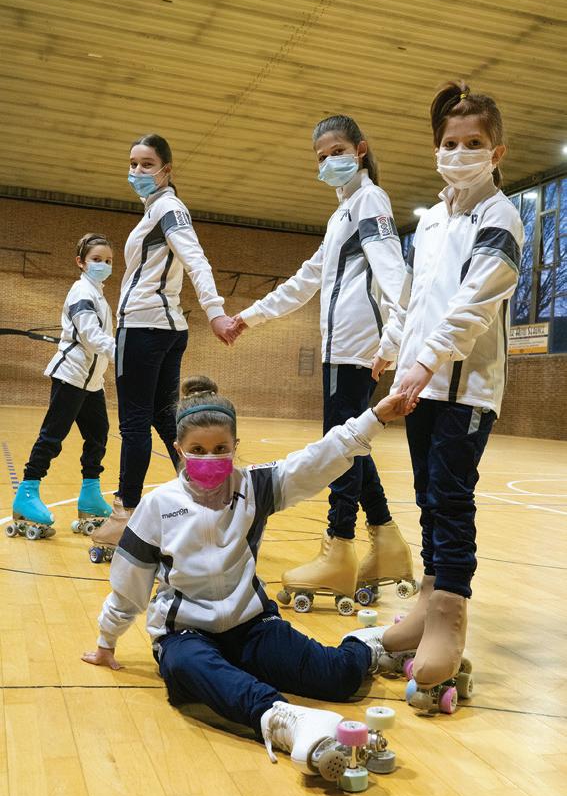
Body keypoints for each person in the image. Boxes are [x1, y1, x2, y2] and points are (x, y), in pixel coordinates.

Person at [82, 375, 417, 768]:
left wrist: (375, 417)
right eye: (198, 450)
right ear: (178, 449)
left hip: (252, 626)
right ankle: (283, 720)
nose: (210, 458)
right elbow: (130, 585)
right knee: (184, 669)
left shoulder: (256, 486)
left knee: (338, 679)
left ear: (235, 446)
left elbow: (316, 460)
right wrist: (107, 640)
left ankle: (369, 646)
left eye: (220, 449)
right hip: (187, 636)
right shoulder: (158, 506)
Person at [372, 81, 524, 698]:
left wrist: (426, 360)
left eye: (473, 143)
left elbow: (474, 302)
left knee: (451, 500)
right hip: (421, 383)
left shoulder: (501, 216)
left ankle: (449, 618)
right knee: (427, 498)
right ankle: (427, 602)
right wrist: (394, 346)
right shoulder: (432, 221)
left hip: (465, 389)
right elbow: (417, 298)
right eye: (450, 143)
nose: (460, 152)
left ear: (497, 152)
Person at [230, 115, 415, 606]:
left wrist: (393, 340)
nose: (329, 162)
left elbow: (395, 276)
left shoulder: (370, 201)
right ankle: (387, 542)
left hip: (358, 348)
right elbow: (306, 279)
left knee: (342, 446)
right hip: (342, 348)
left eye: (337, 151)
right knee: (351, 442)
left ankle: (339, 547)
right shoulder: (342, 215)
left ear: (360, 149)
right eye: (321, 157)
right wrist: (249, 316)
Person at [90, 134, 238, 554]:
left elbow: (196, 259)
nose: (137, 171)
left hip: (143, 327)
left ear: (166, 170)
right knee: (163, 418)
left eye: (147, 164)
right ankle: (208, 498)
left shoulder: (168, 209)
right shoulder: (156, 210)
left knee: (134, 423)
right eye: (132, 163)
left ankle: (126, 515)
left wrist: (214, 310)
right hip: (167, 329)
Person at [10, 234, 115, 537]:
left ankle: (90, 495)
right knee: (53, 436)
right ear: (81, 262)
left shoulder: (99, 295)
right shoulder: (82, 291)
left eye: (108, 261)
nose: (103, 265)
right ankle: (27, 492)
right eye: (96, 259)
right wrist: (124, 353)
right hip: (71, 374)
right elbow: (91, 336)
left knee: (98, 436)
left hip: (92, 381)